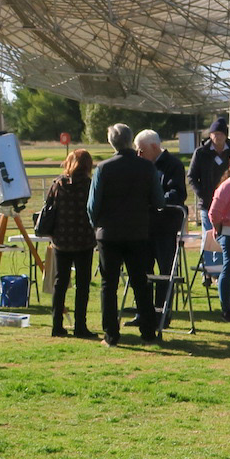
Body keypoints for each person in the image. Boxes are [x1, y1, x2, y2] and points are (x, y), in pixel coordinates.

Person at [88, 123, 162, 346]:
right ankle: (148, 332)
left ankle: (111, 335)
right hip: (137, 231)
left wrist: (96, 225)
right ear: (131, 141)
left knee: (108, 285)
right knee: (141, 282)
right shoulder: (147, 168)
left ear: (111, 143)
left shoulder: (103, 168)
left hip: (108, 233)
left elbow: (92, 205)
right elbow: (159, 200)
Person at [43, 148, 96, 338]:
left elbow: (48, 207)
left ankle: (57, 325)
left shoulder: (58, 184)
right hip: (84, 240)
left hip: (61, 240)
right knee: (83, 285)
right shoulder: (90, 185)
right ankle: (80, 326)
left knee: (60, 282)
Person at [138, 130, 188, 321]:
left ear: (153, 147)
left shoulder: (173, 165)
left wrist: (154, 200)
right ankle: (144, 312)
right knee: (143, 271)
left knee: (165, 271)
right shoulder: (143, 166)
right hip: (145, 226)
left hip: (165, 227)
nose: (139, 154)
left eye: (141, 150)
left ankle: (162, 312)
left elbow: (177, 194)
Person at [206, 152, 230, 321]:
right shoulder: (227, 186)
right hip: (229, 233)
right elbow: (214, 212)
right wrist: (218, 228)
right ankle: (226, 309)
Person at [187, 117, 230, 229]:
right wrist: (203, 194)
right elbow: (192, 176)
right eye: (215, 133)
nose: (218, 137)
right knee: (209, 240)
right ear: (210, 135)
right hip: (207, 203)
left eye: (221, 134)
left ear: (226, 135)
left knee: (229, 238)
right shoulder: (201, 153)